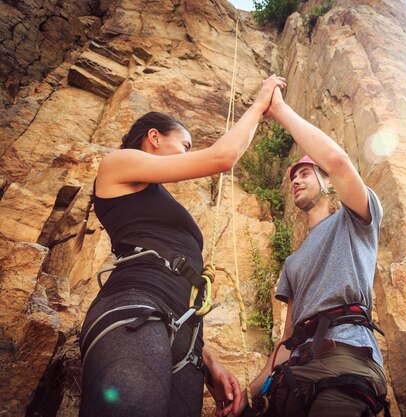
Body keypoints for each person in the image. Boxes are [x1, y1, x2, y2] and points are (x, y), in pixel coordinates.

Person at [78, 75, 286, 417]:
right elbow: (223, 158)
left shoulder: (151, 195)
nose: (188, 152)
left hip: (184, 336)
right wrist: (260, 103)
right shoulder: (118, 163)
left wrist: (208, 360)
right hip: (136, 308)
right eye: (186, 144)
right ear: (155, 137)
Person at [242, 87, 390, 417]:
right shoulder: (292, 262)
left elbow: (337, 161)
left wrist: (278, 109)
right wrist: (249, 394)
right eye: (293, 177)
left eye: (305, 173)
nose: (296, 181)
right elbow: (288, 339)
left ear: (328, 182)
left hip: (346, 355)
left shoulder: (356, 219)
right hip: (296, 370)